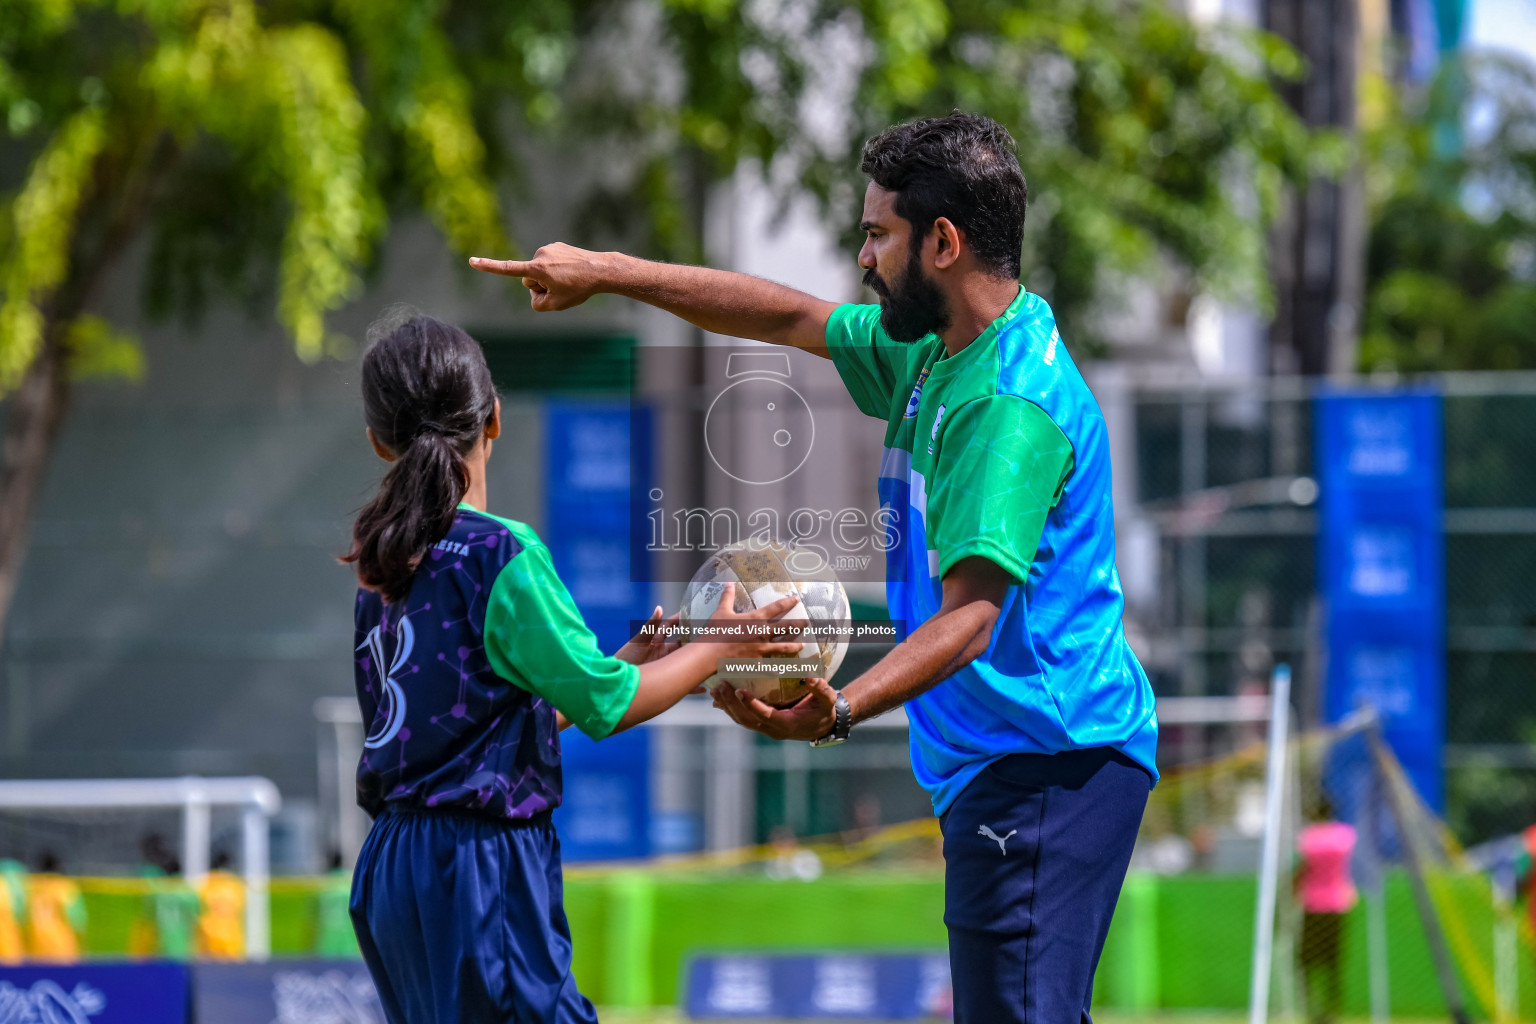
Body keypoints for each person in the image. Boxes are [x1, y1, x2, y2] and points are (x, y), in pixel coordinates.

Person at [471, 110, 1158, 1023]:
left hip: (1048, 763)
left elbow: (971, 620)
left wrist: (839, 710)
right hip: (1011, 761)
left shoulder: (1007, 408)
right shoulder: (937, 350)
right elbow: (787, 314)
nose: (863, 256)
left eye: (878, 234)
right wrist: (609, 273)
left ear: (943, 243)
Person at [341, 309, 804, 1023]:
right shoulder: (502, 554)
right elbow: (609, 704)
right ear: (492, 419)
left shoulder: (382, 570)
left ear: (378, 442)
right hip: (476, 863)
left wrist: (625, 661)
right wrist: (718, 644)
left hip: (393, 868)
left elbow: (465, 729)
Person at [1296, 813, 1357, 1024]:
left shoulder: (1309, 837)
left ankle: (1311, 1007)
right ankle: (1332, 1008)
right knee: (1333, 962)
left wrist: (1293, 887)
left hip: (1313, 905)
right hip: (1337, 904)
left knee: (1305, 961)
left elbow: (1303, 867)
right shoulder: (1344, 836)